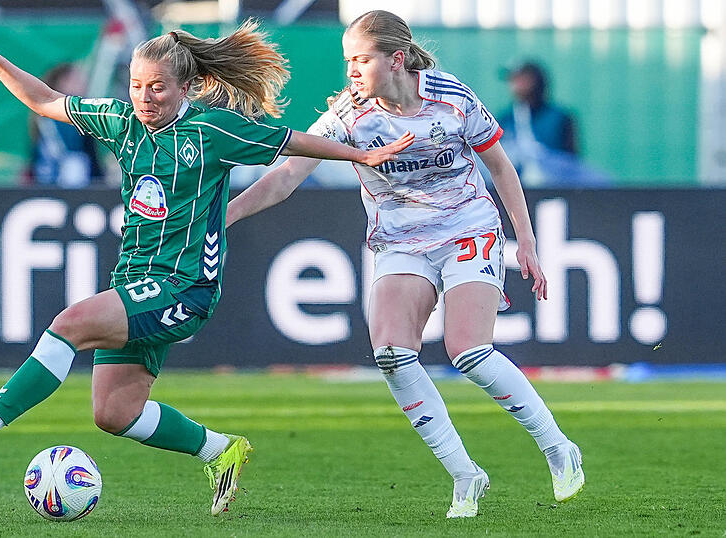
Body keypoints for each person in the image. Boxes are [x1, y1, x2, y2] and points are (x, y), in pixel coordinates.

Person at [0, 19, 412, 517]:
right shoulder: (120, 121)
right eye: (137, 85)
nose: (145, 97)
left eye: (158, 87)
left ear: (186, 87)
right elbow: (46, 100)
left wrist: (360, 154)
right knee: (114, 413)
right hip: (135, 282)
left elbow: (291, 141)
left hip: (184, 287)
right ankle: (220, 449)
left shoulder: (211, 129)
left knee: (69, 324)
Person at [226, 10, 584, 518]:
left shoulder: (452, 98)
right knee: (392, 353)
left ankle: (557, 447)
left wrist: (525, 241)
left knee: (467, 350)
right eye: (347, 60)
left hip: (468, 229)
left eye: (361, 59)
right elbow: (286, 176)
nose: (351, 71)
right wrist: (227, 215)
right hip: (399, 241)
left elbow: (500, 167)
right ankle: (465, 475)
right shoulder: (348, 118)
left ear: (396, 60)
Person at [495, 61, 607, 186]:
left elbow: (571, 161)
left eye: (522, 79)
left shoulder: (560, 117)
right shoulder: (505, 119)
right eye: (513, 80)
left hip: (556, 185)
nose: (516, 85)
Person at [24, 62, 105, 188]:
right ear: (62, 83)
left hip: (52, 184)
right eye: (76, 80)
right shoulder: (63, 117)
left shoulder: (44, 116)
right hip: (64, 185)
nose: (84, 83)